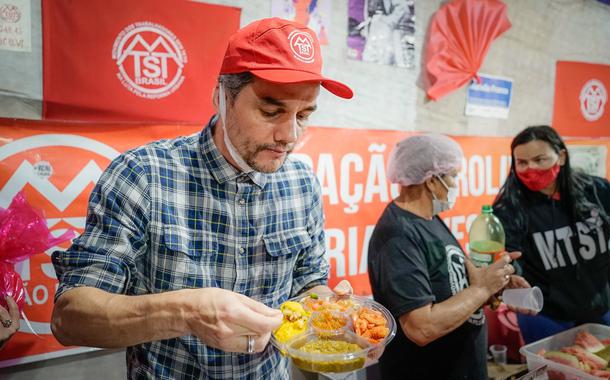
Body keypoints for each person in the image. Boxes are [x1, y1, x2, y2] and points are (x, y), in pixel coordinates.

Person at [51, 17, 353, 379]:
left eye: (303, 115)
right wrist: (187, 313)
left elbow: (308, 281)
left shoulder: (301, 182)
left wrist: (326, 309)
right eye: (271, 111)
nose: (290, 135)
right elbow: (71, 318)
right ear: (222, 96)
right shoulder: (143, 174)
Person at [368, 134, 528, 379]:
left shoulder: (428, 218)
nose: (455, 184)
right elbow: (421, 327)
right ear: (432, 180)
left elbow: (450, 286)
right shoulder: (397, 235)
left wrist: (496, 285)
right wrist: (482, 290)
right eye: (453, 175)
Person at [493, 125, 610, 343]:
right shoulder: (508, 209)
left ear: (561, 157)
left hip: (601, 303)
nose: (531, 168)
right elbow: (507, 256)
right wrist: (510, 278)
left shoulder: (597, 190)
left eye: (540, 160)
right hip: (546, 314)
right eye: (522, 162)